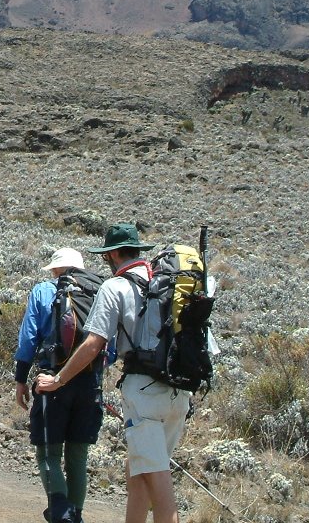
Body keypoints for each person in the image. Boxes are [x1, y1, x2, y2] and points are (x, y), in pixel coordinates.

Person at [35, 224, 191, 523]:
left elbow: (93, 343)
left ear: (115, 253)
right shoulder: (167, 282)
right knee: (139, 471)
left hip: (143, 393)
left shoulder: (115, 287)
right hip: (178, 392)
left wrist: (58, 379)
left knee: (158, 478)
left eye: (108, 254)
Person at [15, 248, 104, 523]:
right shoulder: (99, 292)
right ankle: (75, 514)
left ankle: (63, 514)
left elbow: (29, 337)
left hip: (50, 381)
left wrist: (21, 378)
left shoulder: (43, 291)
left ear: (56, 269)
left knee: (48, 452)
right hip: (90, 382)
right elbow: (108, 348)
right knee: (78, 455)